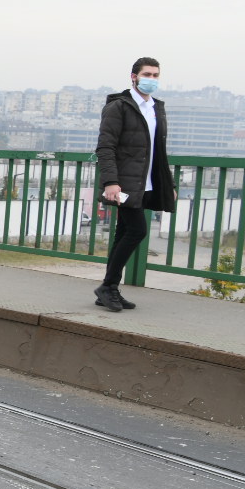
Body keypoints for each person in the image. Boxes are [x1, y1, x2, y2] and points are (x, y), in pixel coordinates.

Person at [93, 57, 177, 311]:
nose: (151, 79)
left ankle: (109, 289)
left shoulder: (156, 108)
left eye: (155, 75)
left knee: (123, 232)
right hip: (124, 183)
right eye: (147, 74)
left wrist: (168, 183)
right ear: (133, 77)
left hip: (146, 182)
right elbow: (105, 147)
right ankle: (107, 287)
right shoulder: (119, 107)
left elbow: (158, 151)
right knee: (137, 230)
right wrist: (111, 182)